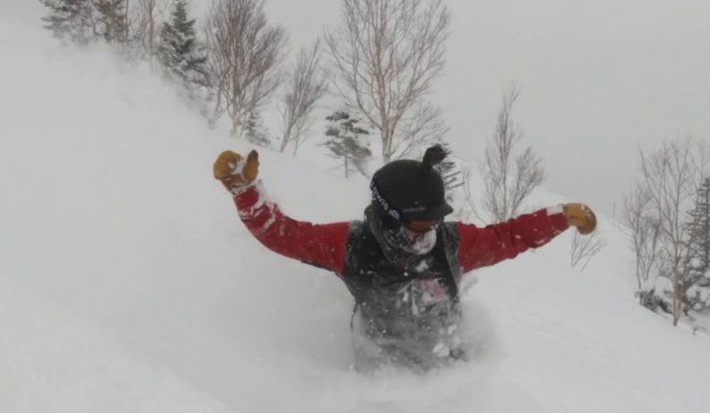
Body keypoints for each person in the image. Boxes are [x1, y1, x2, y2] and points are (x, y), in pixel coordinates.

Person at [214, 145, 597, 372]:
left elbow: (507, 236)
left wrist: (560, 216)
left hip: (447, 369)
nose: (430, 230)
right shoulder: (352, 247)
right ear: (389, 215)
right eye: (421, 221)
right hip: (382, 376)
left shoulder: (450, 244)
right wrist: (244, 191)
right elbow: (283, 235)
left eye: (437, 218)